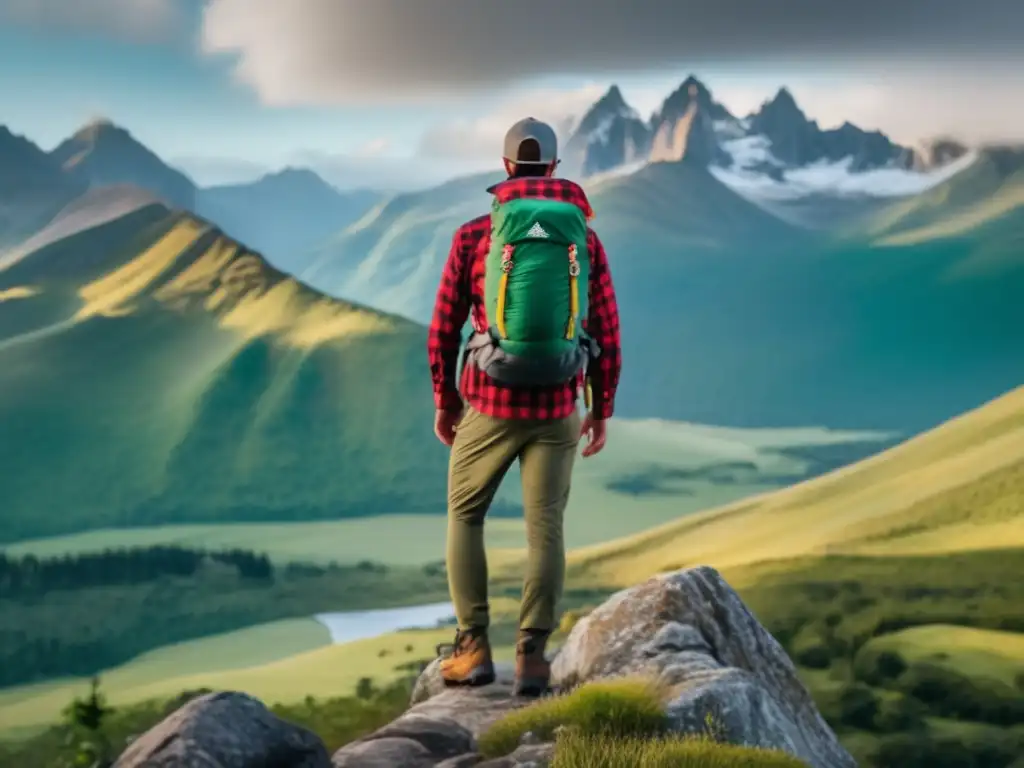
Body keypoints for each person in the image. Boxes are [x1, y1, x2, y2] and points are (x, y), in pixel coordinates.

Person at [427, 117, 622, 696]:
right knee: (546, 530)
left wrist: (445, 401)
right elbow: (605, 328)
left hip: (488, 401)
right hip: (560, 403)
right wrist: (600, 405)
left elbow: (443, 327)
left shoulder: (474, 236)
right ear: (555, 170)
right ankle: (533, 658)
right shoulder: (583, 239)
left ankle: (471, 649)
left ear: (507, 168)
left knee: (466, 516)